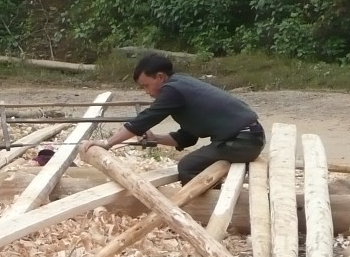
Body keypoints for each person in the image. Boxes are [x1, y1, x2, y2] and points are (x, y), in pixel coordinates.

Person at [80, 52, 264, 183]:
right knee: (196, 163)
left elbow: (146, 119)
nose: (146, 92)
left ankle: (206, 206)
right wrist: (156, 139)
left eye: (146, 86)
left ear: (160, 77)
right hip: (249, 137)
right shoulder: (181, 84)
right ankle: (215, 194)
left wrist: (107, 143)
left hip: (243, 141)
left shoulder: (172, 90)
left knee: (188, 166)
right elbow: (188, 137)